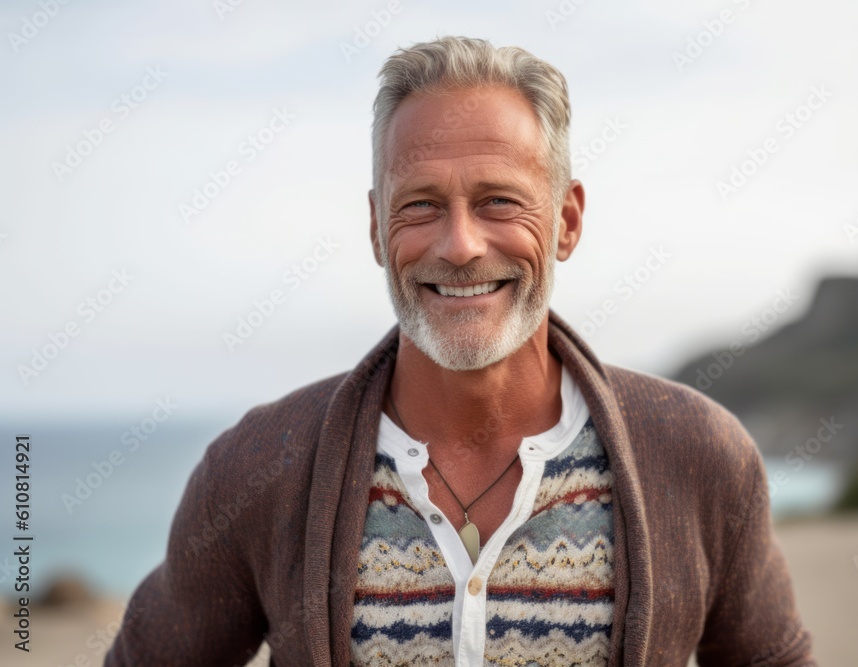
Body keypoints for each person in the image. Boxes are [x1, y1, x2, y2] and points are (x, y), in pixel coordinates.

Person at [106, 36, 816, 666]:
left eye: (499, 201)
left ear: (566, 221)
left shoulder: (700, 455)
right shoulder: (259, 466)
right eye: (419, 205)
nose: (460, 245)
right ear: (378, 228)